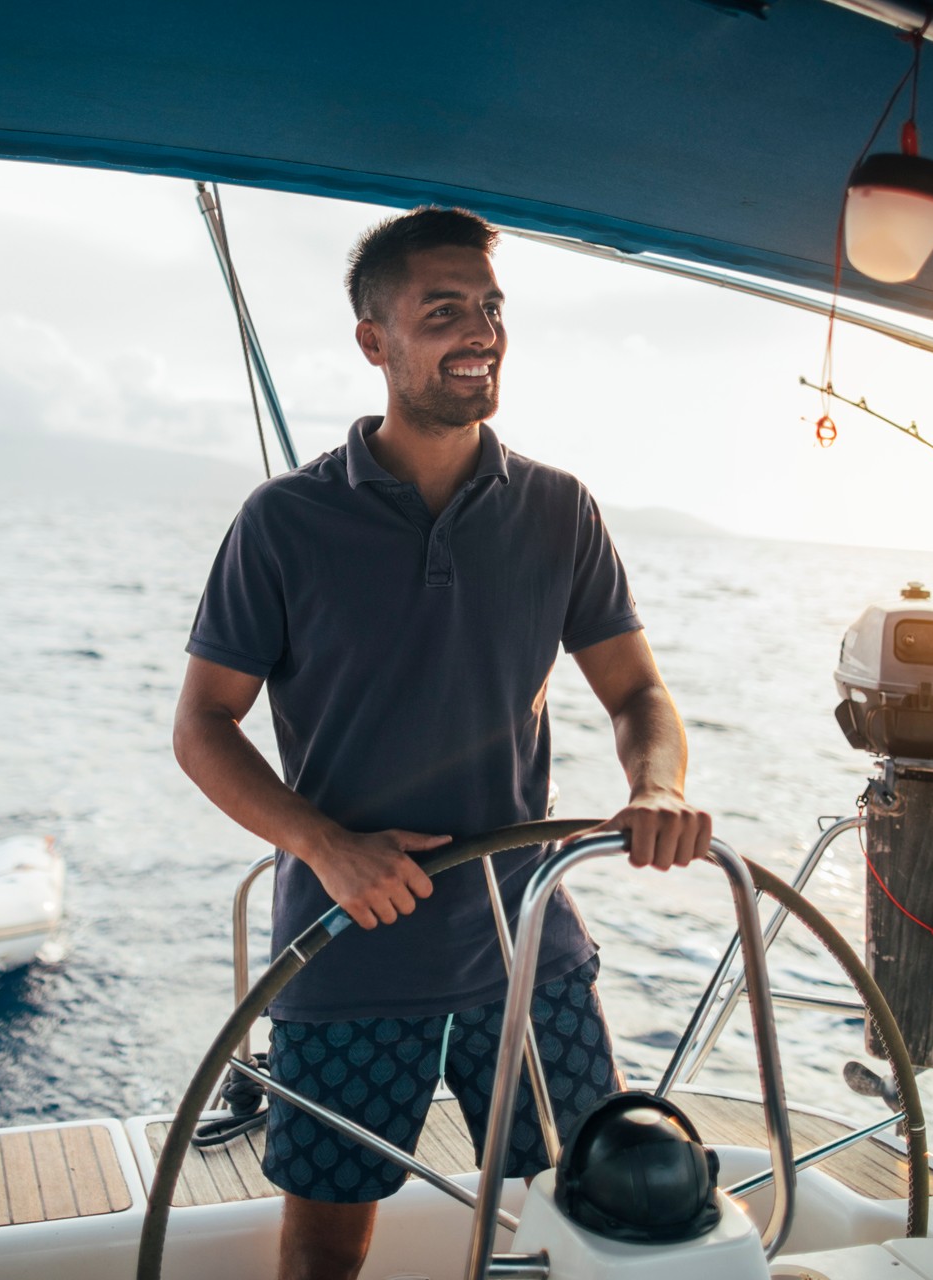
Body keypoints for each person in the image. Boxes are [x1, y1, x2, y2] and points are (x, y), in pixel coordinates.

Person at [173, 206, 711, 1280]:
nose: (481, 331)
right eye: (445, 311)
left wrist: (657, 781)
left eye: (492, 307)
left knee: (592, 1205)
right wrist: (323, 842)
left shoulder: (561, 511)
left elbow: (637, 688)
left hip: (529, 949)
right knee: (328, 1241)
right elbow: (202, 725)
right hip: (347, 945)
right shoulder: (282, 523)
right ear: (375, 340)